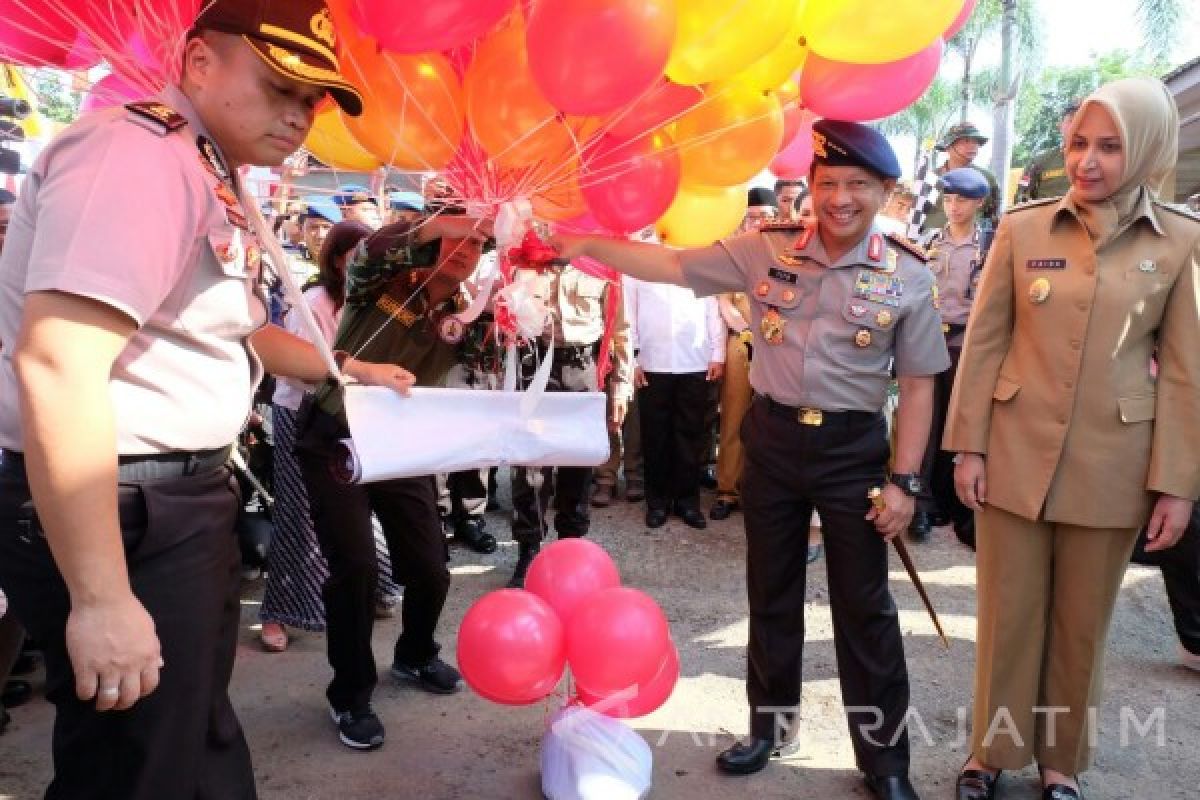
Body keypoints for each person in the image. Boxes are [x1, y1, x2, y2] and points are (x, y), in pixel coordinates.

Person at [0, 2, 417, 797]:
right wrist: (101, 598)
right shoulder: (138, 157)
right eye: (279, 87)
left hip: (169, 499)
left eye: (312, 102)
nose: (298, 117)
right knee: (137, 764)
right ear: (198, 63)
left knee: (187, 741)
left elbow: (238, 326)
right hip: (122, 504)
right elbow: (57, 363)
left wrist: (346, 371)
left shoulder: (199, 163)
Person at [550, 119, 950, 800]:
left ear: (886, 190)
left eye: (859, 185)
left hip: (853, 452)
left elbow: (917, 386)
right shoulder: (763, 249)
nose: (840, 198)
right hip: (770, 440)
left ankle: (885, 761)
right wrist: (589, 243)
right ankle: (770, 725)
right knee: (771, 591)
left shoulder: (907, 274)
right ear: (811, 187)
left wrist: (905, 482)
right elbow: (674, 265)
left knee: (865, 606)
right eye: (828, 183)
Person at [945, 78, 1199, 800]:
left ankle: (1062, 763)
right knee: (1006, 613)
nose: (1087, 160)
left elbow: (1185, 373)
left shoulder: (1182, 240)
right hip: (1014, 455)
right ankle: (988, 754)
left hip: (1114, 464)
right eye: (1079, 143)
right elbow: (986, 342)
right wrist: (969, 446)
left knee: (1082, 623)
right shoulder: (1025, 229)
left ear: (1146, 147)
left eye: (1109, 146)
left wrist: (1177, 482)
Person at [295, 207, 493, 750]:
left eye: (477, 244)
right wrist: (436, 225)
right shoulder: (382, 278)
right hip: (337, 435)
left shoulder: (467, 308)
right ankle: (350, 694)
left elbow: (484, 362)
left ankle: (415, 654)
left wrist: (509, 315)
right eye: (456, 238)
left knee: (430, 566)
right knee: (355, 567)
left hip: (403, 445)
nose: (464, 250)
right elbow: (373, 250)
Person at [259, 220, 404, 652]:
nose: (365, 262)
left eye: (371, 254)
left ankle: (373, 589)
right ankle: (277, 614)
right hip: (303, 415)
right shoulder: (313, 302)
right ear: (338, 259)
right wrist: (356, 377)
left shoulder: (376, 301)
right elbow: (294, 369)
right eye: (356, 253)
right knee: (299, 517)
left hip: (356, 418)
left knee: (360, 512)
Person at [506, 264, 632, 588]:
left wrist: (620, 386)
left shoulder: (601, 265)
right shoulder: (524, 261)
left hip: (582, 368)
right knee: (531, 466)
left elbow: (619, 331)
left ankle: (570, 546)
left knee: (579, 465)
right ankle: (529, 550)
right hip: (533, 365)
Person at [910, 168, 991, 545]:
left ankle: (961, 506)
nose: (954, 207)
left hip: (967, 342)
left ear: (978, 203)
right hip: (930, 340)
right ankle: (923, 505)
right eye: (949, 199)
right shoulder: (928, 241)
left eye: (962, 200)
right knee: (925, 423)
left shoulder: (989, 243)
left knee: (963, 425)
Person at [625, 274, 725, 529]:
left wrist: (718, 353)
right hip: (652, 360)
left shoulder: (698, 259)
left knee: (690, 435)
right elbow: (628, 312)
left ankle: (687, 502)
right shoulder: (640, 259)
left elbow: (713, 308)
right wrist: (632, 359)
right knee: (655, 436)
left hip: (694, 358)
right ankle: (657, 503)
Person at [710, 187, 778, 522]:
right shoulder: (732, 252)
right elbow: (722, 299)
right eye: (754, 216)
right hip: (740, 341)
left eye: (767, 216)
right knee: (733, 417)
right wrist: (742, 327)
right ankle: (727, 489)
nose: (760, 222)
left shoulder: (787, 251)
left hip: (777, 346)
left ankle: (763, 492)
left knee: (772, 422)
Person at [922, 122, 1001, 233]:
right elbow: (918, 216)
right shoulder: (931, 178)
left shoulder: (987, 179)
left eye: (976, 141)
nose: (973, 145)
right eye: (966, 141)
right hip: (932, 243)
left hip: (972, 244)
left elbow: (992, 217)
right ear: (948, 147)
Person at [1014, 99, 1081, 204]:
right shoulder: (1039, 161)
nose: (1077, 127)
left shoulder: (1098, 162)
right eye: (1072, 120)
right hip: (1046, 218)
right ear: (1060, 125)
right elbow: (1021, 195)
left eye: (1082, 122)